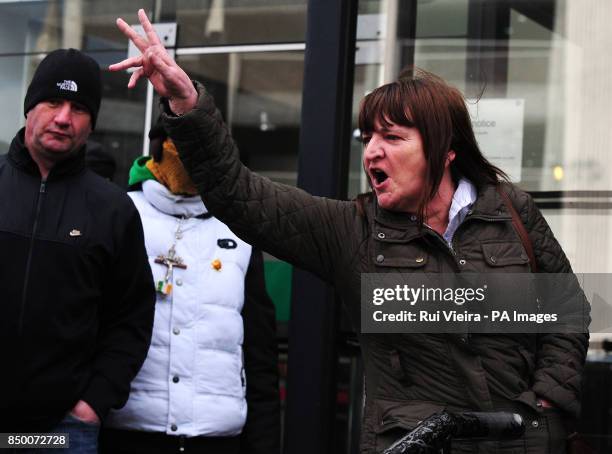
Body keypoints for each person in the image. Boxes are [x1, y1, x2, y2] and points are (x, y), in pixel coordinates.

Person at [112, 10, 588, 453]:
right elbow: (240, 194)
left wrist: (545, 407)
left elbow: (565, 311)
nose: (372, 152)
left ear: (445, 150)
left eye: (393, 138)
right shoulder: (354, 230)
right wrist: (186, 101)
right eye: (368, 138)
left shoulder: (509, 211)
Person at [0, 48, 155, 452]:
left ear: (91, 124)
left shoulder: (112, 210)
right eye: (53, 102)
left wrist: (93, 403)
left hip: (60, 433)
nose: (64, 117)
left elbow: (132, 319)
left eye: (79, 107)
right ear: (29, 108)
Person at [98, 123, 280, 454]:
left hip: (216, 438)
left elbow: (259, 351)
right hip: (130, 432)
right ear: (158, 147)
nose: (186, 158)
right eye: (176, 145)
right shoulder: (120, 213)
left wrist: (264, 443)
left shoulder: (239, 229)